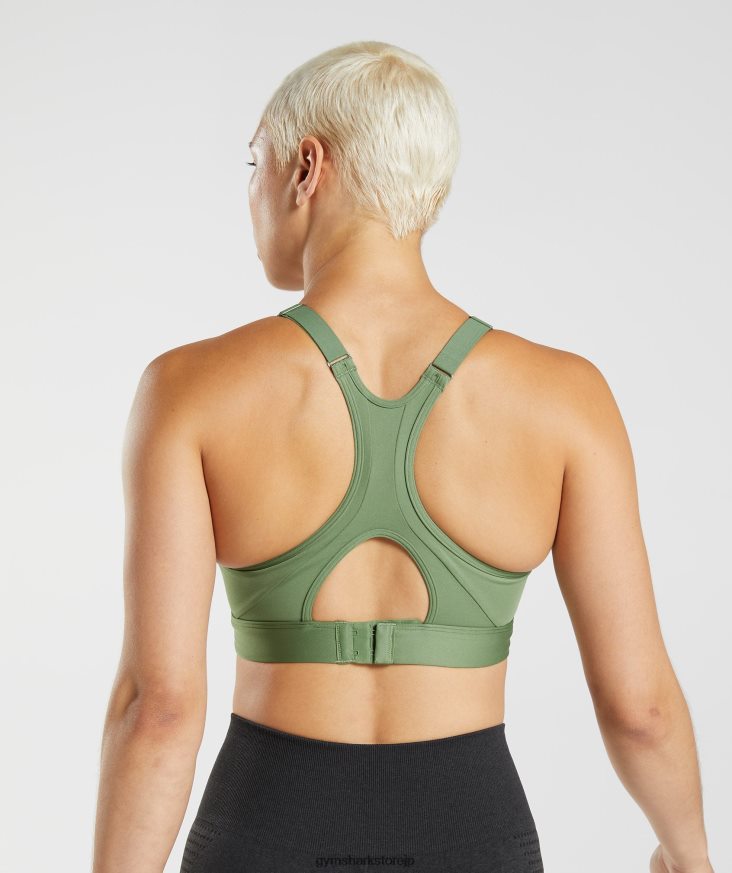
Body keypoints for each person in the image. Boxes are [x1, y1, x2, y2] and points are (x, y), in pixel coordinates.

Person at [91, 41, 715, 873]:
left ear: (306, 168)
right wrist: (689, 852)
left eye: (255, 161)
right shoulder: (567, 399)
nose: (251, 189)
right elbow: (641, 707)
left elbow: (158, 708)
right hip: (474, 835)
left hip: (263, 829)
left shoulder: (189, 390)